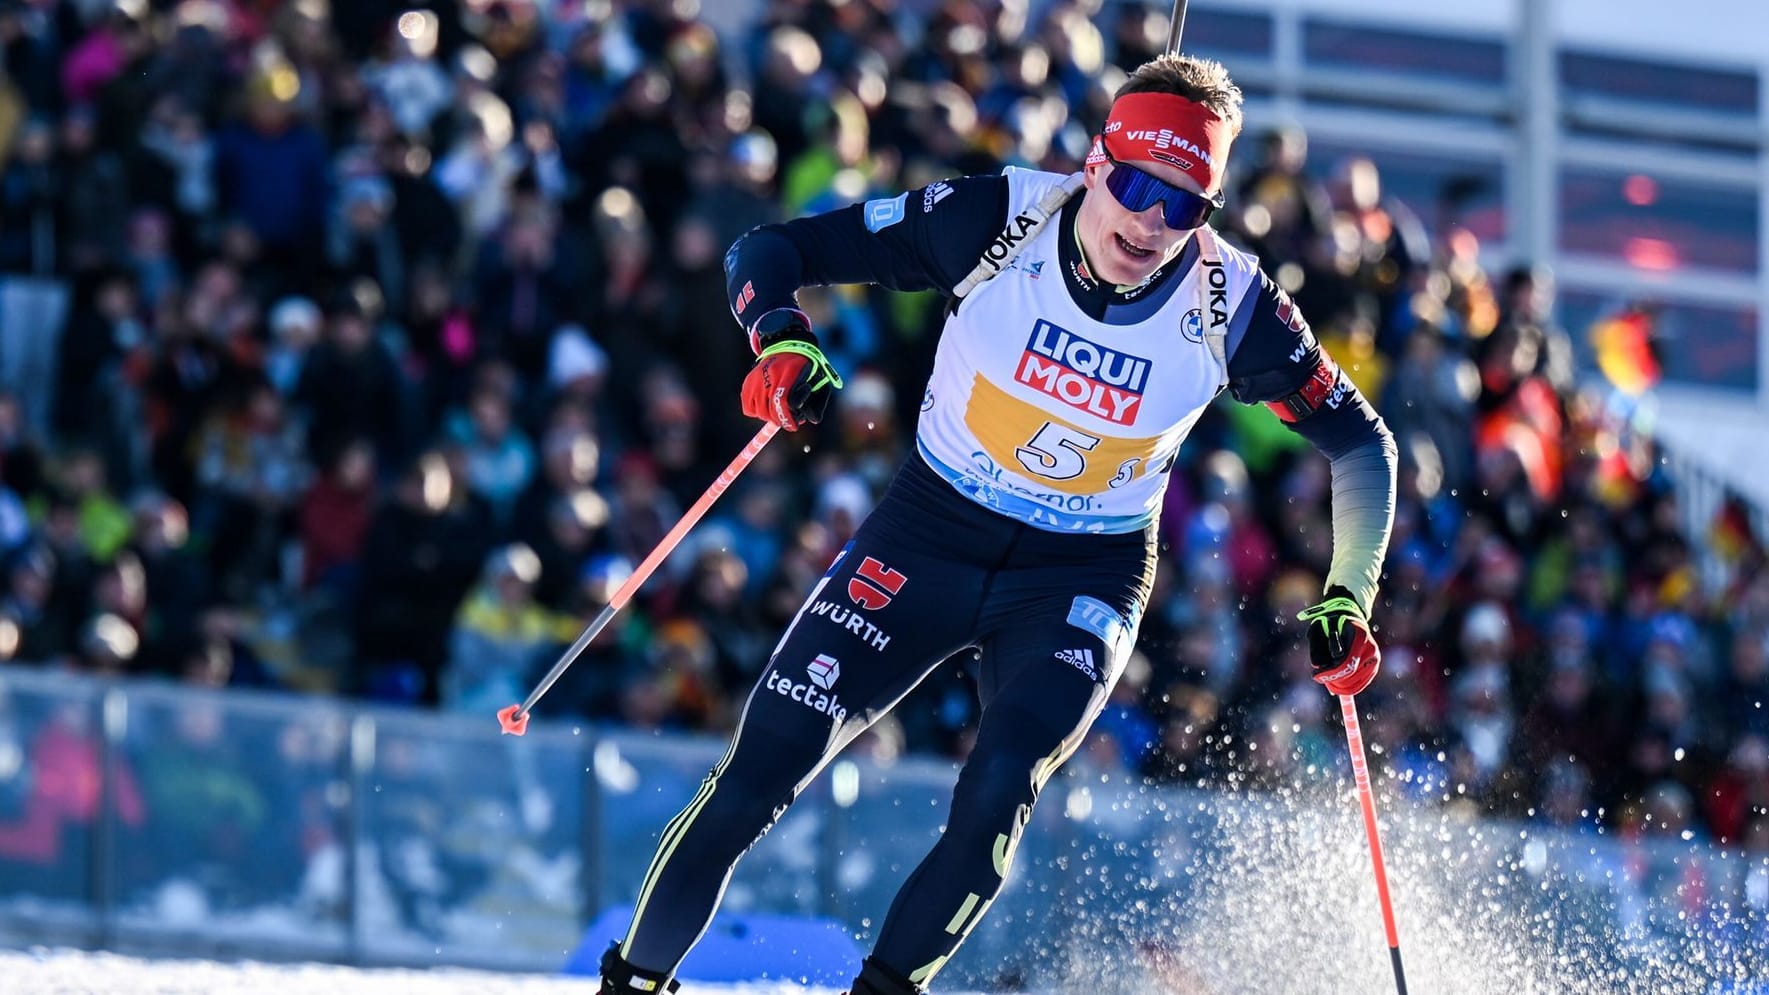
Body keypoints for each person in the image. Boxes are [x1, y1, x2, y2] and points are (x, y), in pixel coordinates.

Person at [596, 54, 1398, 995]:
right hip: (928, 532)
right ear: (1096, 164)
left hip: (1079, 575)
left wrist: (1347, 590)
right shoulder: (996, 218)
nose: (1149, 222)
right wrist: (780, 335)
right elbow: (767, 251)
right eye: (1136, 185)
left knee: (997, 789)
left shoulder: (1234, 305)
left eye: (1183, 205)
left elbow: (1361, 444)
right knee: (763, 765)